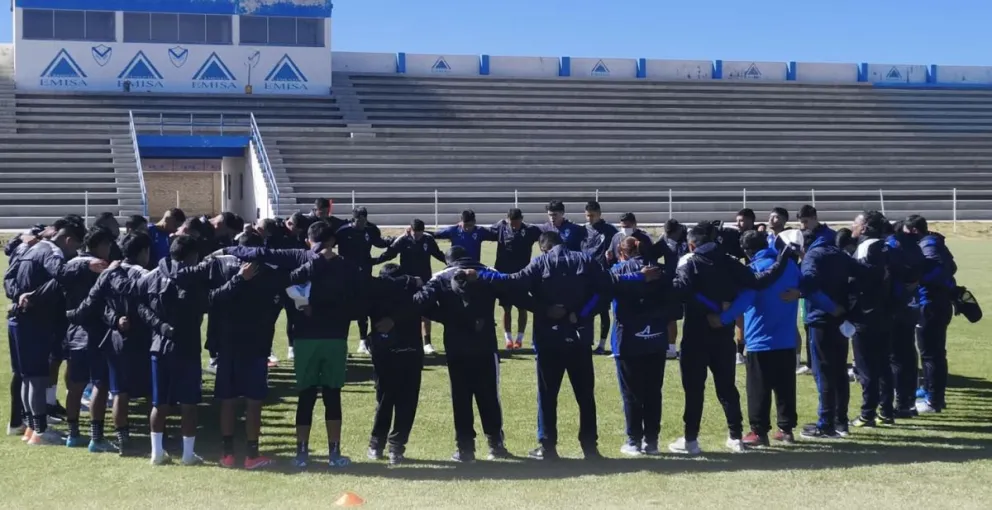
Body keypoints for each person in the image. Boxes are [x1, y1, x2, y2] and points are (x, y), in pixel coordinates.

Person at [472, 232, 662, 461]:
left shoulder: (540, 262)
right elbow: (609, 284)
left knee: (547, 395)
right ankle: (590, 447)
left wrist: (480, 275)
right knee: (585, 396)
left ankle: (547, 446)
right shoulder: (585, 260)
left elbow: (512, 282)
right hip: (579, 336)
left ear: (544, 248)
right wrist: (638, 278)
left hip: (548, 338)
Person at [223, 222, 360, 469]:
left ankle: (302, 454)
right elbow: (356, 304)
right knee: (332, 395)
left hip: (304, 339)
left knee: (306, 396)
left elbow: (261, 253)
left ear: (309, 240)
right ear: (332, 242)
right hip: (335, 339)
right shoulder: (345, 266)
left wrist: (228, 249)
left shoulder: (299, 256)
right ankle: (334, 453)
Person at [667, 222, 793, 455]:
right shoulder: (729, 261)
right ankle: (735, 436)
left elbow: (680, 291)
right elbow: (759, 281)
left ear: (692, 244)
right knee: (726, 387)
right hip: (723, 334)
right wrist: (782, 260)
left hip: (696, 334)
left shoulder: (690, 261)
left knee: (694, 389)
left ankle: (691, 439)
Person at [5, 219, 104, 445]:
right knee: (38, 379)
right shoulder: (52, 252)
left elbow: (8, 278)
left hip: (17, 319)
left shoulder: (30, 248)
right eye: (75, 247)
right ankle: (40, 432)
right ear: (68, 240)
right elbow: (60, 273)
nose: (74, 253)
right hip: (35, 322)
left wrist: (20, 297)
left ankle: (31, 428)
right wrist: (84, 265)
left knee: (28, 378)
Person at [413, 246, 511, 463]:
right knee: (489, 396)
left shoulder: (441, 277)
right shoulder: (487, 272)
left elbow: (419, 303)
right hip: (485, 343)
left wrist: (446, 317)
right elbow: (512, 287)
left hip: (457, 346)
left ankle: (465, 449)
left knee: (461, 398)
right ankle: (496, 444)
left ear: (449, 261)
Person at [716, 231, 801, 446]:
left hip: (760, 339)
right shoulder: (790, 266)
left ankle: (759, 431)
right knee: (785, 386)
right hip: (787, 337)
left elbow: (745, 299)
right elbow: (806, 283)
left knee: (758, 389)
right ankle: (786, 429)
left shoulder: (753, 270)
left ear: (746, 251)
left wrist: (723, 319)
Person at [209, 232, 285, 470]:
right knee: (253, 402)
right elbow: (277, 305)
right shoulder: (269, 273)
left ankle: (228, 453)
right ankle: (251, 454)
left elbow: (213, 302)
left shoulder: (222, 270)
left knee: (229, 401)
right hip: (255, 345)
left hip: (230, 345)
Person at [133, 235, 210, 465]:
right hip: (186, 346)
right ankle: (187, 454)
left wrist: (159, 326)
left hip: (159, 345)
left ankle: (157, 452)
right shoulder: (193, 278)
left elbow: (139, 303)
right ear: (191, 256)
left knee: (159, 403)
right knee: (189, 403)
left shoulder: (154, 274)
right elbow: (205, 305)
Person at [608, 237, 671, 456]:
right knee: (654, 391)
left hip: (627, 339)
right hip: (656, 337)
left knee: (631, 392)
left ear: (621, 253)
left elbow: (601, 282)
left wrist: (635, 277)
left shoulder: (618, 270)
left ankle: (634, 440)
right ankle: (651, 441)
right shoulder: (661, 271)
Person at [365, 264, 428, 465]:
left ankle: (380, 444)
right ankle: (393, 446)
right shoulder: (411, 291)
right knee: (403, 402)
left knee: (386, 399)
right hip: (406, 354)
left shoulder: (376, 292)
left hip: (392, 354)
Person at [61, 227, 117, 452]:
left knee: (75, 386)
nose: (110, 250)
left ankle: (73, 434)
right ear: (100, 245)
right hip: (95, 332)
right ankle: (97, 438)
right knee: (99, 385)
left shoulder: (71, 264)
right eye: (108, 245)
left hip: (73, 331)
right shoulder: (99, 266)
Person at [798, 227, 854, 439]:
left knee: (824, 373)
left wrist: (830, 307)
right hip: (840, 321)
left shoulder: (812, 256)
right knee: (839, 371)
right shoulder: (839, 254)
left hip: (821, 320)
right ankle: (841, 421)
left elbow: (809, 284)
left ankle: (826, 424)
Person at [904, 215, 957, 414]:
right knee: (933, 353)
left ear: (914, 231)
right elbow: (952, 266)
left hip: (930, 305)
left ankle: (934, 401)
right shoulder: (935, 242)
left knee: (930, 354)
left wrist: (918, 280)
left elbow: (941, 270)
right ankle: (930, 391)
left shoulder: (928, 245)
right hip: (938, 304)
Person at [372, 219, 447, 355]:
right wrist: (374, 261)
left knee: (426, 311)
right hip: (406, 283)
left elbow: (438, 254)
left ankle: (427, 343)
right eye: (415, 233)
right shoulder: (404, 240)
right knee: (406, 311)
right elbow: (391, 253)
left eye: (419, 233)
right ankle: (405, 340)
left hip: (424, 281)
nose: (417, 236)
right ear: (410, 230)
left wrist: (451, 262)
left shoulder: (428, 240)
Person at [849, 211, 892, 428]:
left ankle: (867, 413)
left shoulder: (866, 246)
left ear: (864, 227)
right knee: (883, 364)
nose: (852, 226)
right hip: (886, 313)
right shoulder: (887, 245)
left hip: (866, 314)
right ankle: (886, 410)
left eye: (855, 223)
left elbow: (861, 280)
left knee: (866, 367)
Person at [337, 207, 393, 355]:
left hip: (365, 276)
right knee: (346, 311)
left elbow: (379, 243)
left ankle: (363, 342)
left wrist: (393, 241)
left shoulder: (370, 230)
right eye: (359, 220)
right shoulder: (342, 232)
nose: (362, 223)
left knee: (364, 308)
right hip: (346, 278)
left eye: (364, 220)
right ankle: (343, 343)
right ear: (353, 219)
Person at [884, 221, 925, 419]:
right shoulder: (914, 247)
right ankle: (909, 402)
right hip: (912, 304)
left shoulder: (892, 246)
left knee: (896, 357)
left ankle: (900, 403)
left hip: (896, 307)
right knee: (908, 354)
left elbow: (890, 276)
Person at [491, 208, 542, 350]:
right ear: (507, 220)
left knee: (522, 307)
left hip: (523, 276)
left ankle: (519, 339)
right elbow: (482, 231)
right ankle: (508, 339)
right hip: (504, 276)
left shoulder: (530, 230)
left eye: (516, 223)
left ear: (522, 219)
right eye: (511, 223)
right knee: (506, 308)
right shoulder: (501, 227)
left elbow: (547, 234)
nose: (514, 226)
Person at [582, 201, 619, 355]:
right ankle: (586, 341)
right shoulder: (582, 230)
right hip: (585, 276)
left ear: (599, 214)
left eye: (592, 215)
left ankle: (602, 344)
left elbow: (618, 248)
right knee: (587, 309)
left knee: (604, 310)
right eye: (587, 215)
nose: (590, 218)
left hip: (604, 276)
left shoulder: (610, 230)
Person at [659, 219, 689, 360]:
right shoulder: (664, 239)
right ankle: (671, 349)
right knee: (671, 316)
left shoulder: (690, 237)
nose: (669, 236)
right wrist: (663, 269)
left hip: (691, 281)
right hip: (672, 282)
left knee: (691, 316)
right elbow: (652, 254)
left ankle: (690, 347)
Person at [433, 209, 498, 263]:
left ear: (474, 222)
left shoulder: (480, 231)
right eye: (465, 225)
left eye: (470, 225)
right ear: (461, 221)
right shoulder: (453, 230)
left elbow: (497, 235)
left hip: (474, 266)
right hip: (457, 266)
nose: (467, 228)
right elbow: (435, 235)